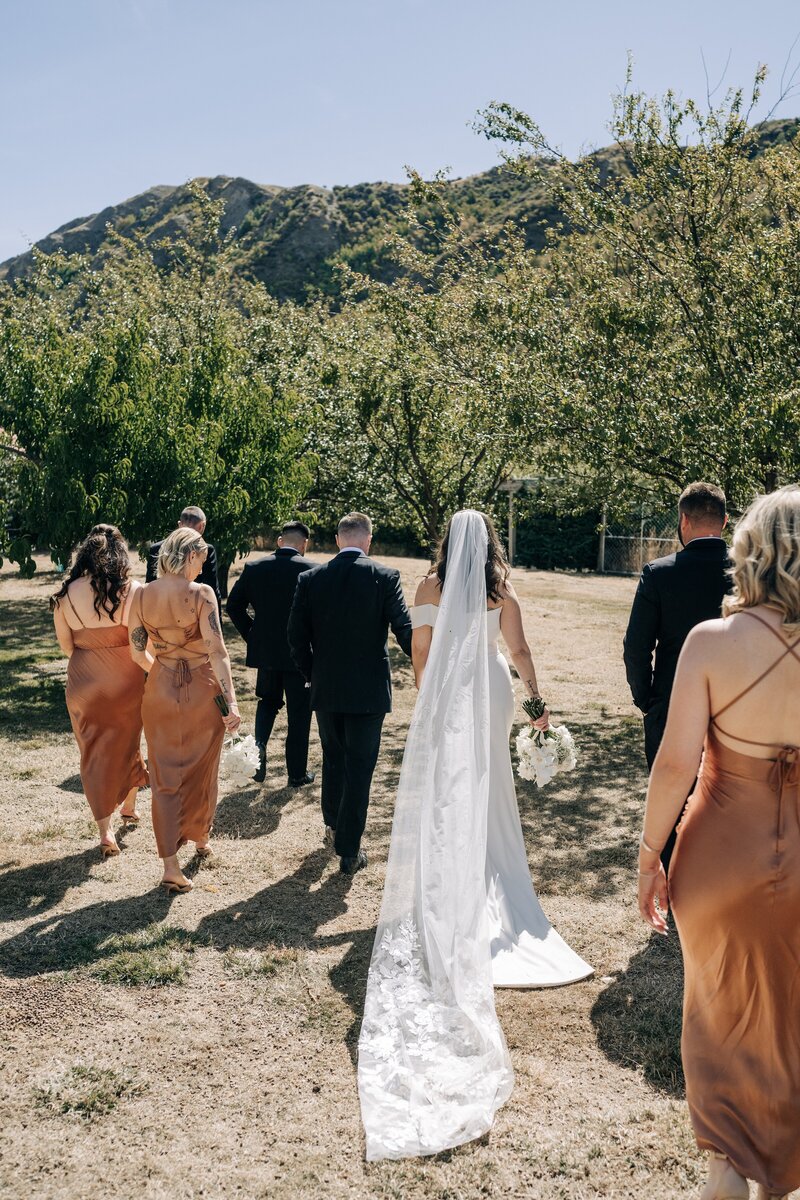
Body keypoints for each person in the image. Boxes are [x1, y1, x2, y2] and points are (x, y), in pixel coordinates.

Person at [358, 510, 592, 1161]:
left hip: (452, 687)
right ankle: (494, 882)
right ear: (488, 544)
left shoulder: (428, 587)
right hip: (489, 684)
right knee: (489, 787)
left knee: (447, 794)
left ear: (446, 543)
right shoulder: (501, 589)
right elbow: (518, 652)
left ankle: (453, 882)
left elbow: (421, 650)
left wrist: (429, 697)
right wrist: (538, 702)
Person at [638, 484, 800, 1200]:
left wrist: (650, 854)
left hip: (716, 860)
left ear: (752, 554)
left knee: (721, 1016)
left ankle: (729, 1169)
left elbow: (675, 764)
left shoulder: (711, 643)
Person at [287, 512, 412, 874]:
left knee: (333, 759)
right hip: (369, 690)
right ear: (368, 540)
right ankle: (348, 849)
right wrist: (427, 664)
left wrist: (312, 674)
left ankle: (333, 828)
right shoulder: (385, 577)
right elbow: (404, 630)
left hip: (326, 687)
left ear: (339, 540)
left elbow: (295, 637)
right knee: (360, 767)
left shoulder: (311, 578)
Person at [623, 481, 731, 868]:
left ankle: (673, 882)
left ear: (683, 520)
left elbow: (636, 647)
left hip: (671, 703)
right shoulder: (752, 574)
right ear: (725, 521)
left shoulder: (659, 573)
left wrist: (647, 699)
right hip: (736, 707)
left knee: (671, 799)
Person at [128, 527, 240, 894]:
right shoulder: (201, 594)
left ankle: (171, 864)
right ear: (190, 555)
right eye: (201, 561)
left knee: (163, 773)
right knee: (203, 765)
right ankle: (200, 834)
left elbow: (135, 651)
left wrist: (162, 671)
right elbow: (218, 652)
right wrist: (232, 702)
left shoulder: (141, 594)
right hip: (202, 687)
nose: (202, 570)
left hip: (158, 688)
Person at [51, 524, 149, 857]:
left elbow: (67, 646)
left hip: (83, 679)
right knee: (128, 741)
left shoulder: (64, 595)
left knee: (92, 752)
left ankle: (106, 830)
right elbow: (140, 646)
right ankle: (128, 807)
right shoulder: (132, 589)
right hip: (126, 677)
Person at [226, 521, 315, 786]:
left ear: (279, 541)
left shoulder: (255, 567)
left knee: (267, 703)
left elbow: (234, 606)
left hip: (267, 652)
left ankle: (259, 757)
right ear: (304, 544)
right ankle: (296, 773)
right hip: (301, 655)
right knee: (299, 714)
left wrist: (252, 634)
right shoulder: (312, 570)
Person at [145, 506, 222, 613]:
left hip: (161, 609)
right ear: (202, 525)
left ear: (179, 524)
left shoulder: (157, 548)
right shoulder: (206, 550)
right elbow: (212, 588)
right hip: (194, 611)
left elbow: (150, 584)